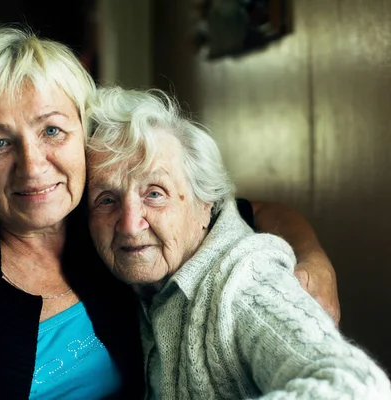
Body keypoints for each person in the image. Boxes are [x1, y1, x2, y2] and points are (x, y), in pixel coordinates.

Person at [0, 27, 338, 399]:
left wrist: (314, 259)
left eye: (52, 130)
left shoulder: (109, 227)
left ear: (83, 133)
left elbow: (245, 209)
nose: (32, 167)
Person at [85, 86, 391, 399]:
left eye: (154, 194)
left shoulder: (245, 281)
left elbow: (355, 386)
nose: (129, 224)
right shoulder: (133, 282)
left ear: (205, 204)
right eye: (106, 199)